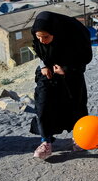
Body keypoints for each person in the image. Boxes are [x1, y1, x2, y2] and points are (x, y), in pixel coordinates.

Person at [30, 11, 93, 159]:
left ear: (55, 32)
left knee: (76, 106)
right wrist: (44, 66)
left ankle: (80, 138)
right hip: (48, 74)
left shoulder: (74, 37)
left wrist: (66, 70)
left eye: (46, 37)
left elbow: (84, 58)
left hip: (71, 77)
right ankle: (46, 142)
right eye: (39, 37)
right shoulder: (40, 39)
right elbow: (40, 51)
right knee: (43, 105)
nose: (42, 40)